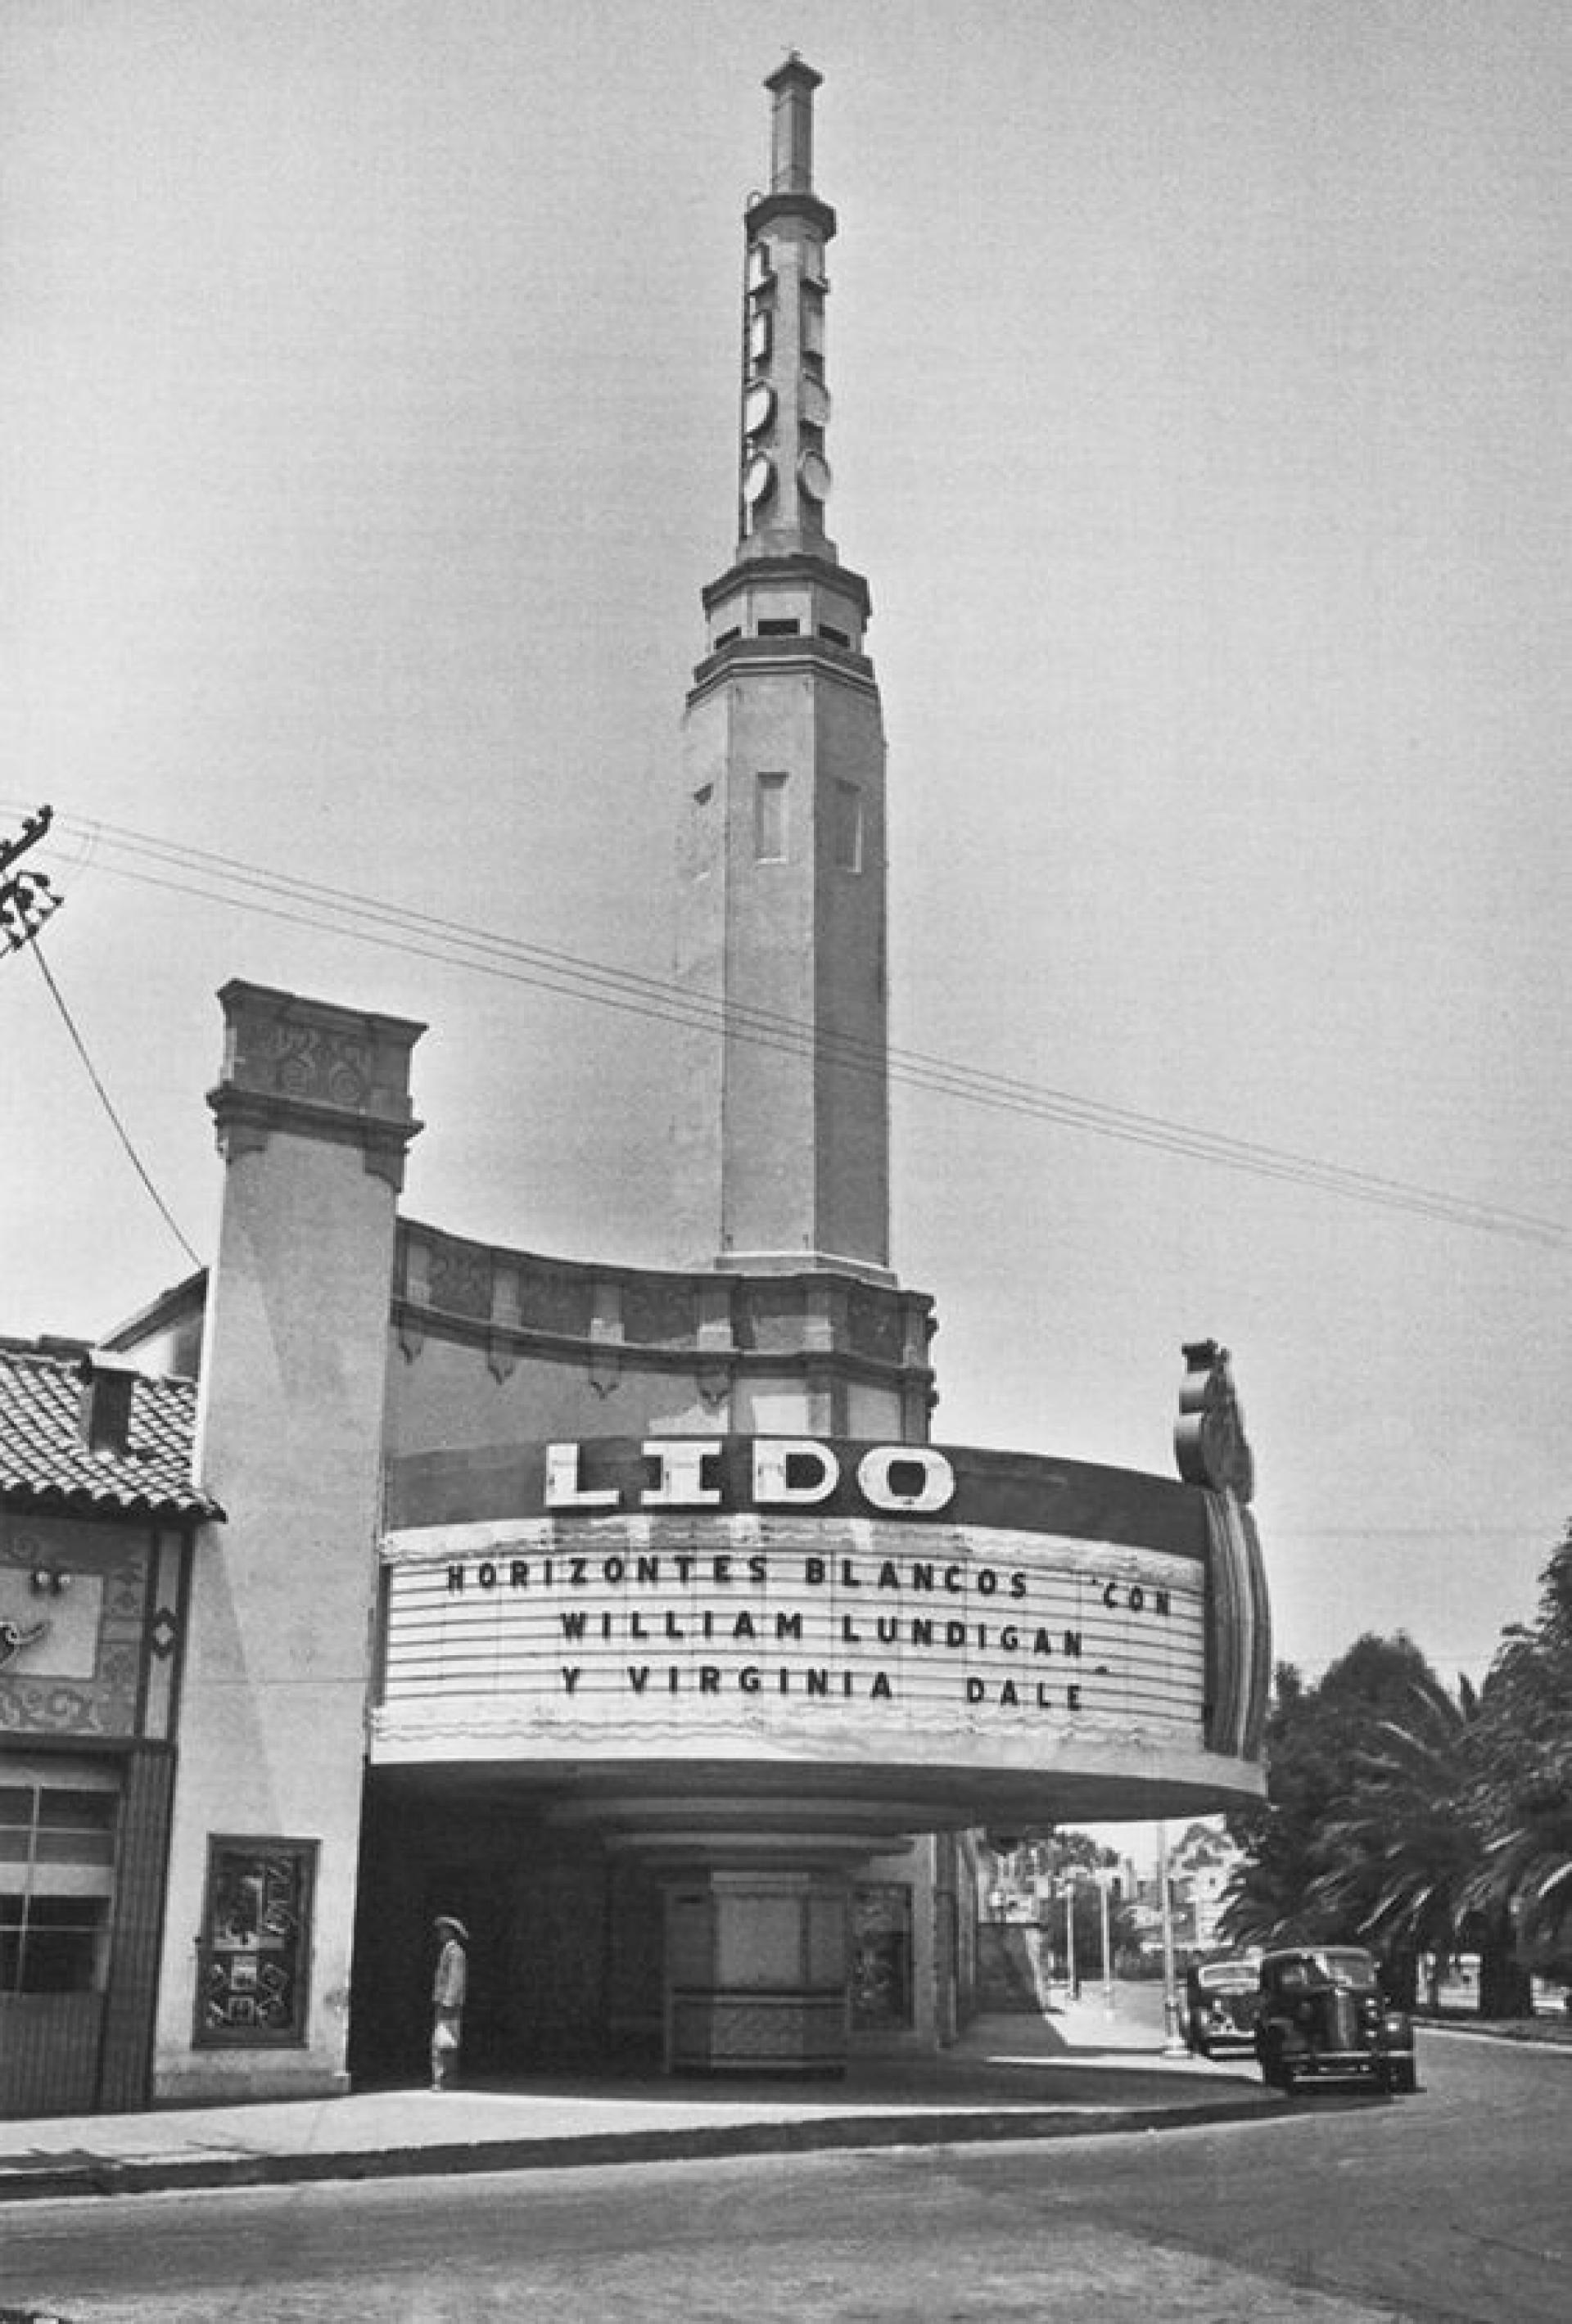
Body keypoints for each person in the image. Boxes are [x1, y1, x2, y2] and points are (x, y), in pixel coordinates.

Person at [430, 1914, 468, 2090]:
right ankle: (445, 2078)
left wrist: (448, 2000)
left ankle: (443, 2079)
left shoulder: (455, 1952)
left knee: (444, 2040)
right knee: (445, 2040)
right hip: (444, 2001)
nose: (440, 1933)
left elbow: (456, 1978)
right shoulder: (448, 1950)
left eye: (443, 1930)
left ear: (451, 1933)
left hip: (448, 2003)